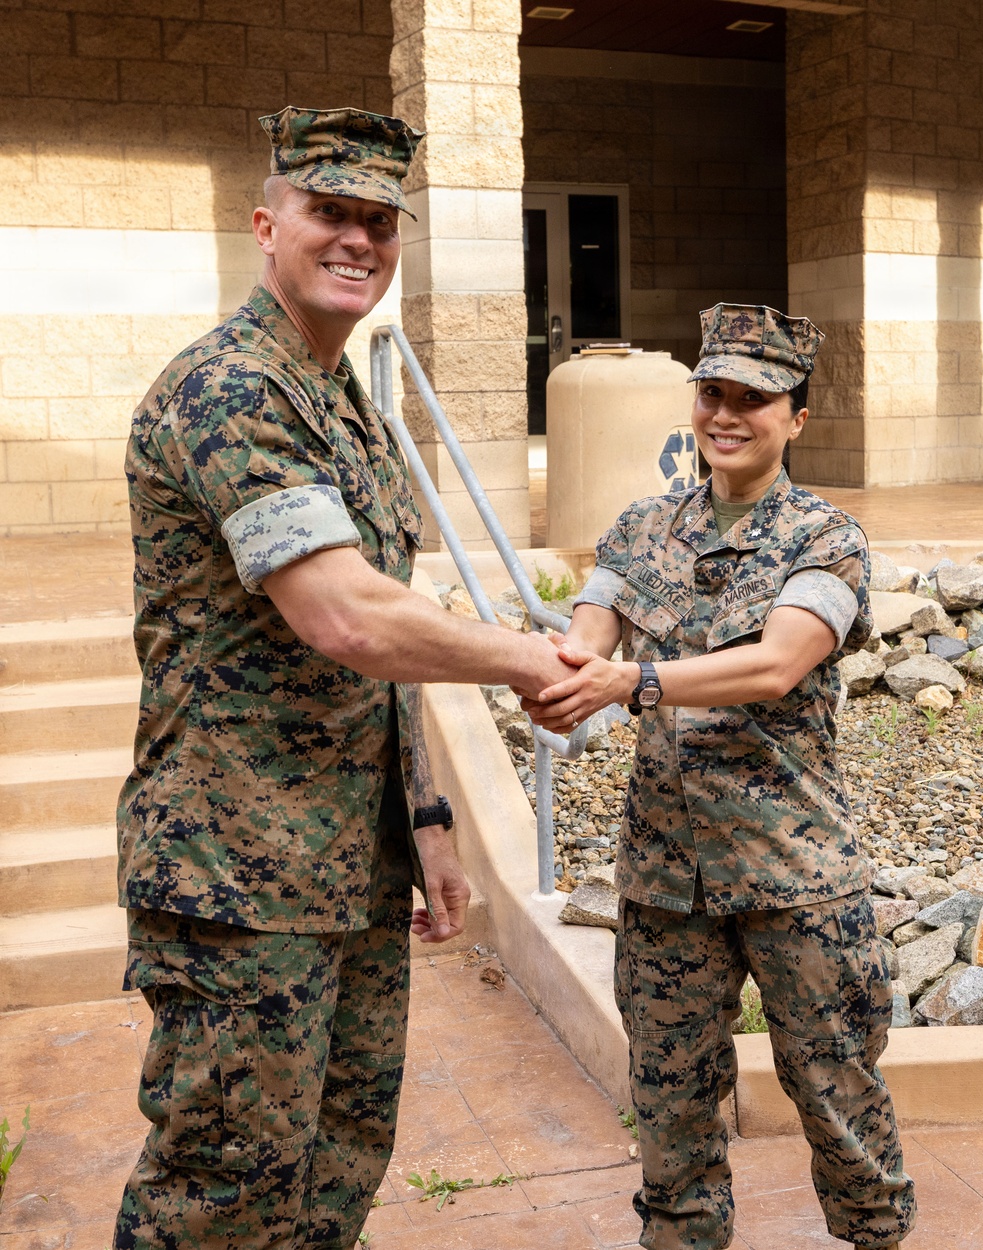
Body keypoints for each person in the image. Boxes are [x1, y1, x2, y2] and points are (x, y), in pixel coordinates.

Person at [113, 105, 575, 1250]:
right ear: (266, 224)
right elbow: (348, 616)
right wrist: (531, 655)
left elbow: (383, 645)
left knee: (334, 1165)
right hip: (236, 872)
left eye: (380, 217)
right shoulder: (232, 390)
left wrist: (424, 817)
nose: (359, 238)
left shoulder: (344, 404)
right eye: (330, 210)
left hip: (345, 862)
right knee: (223, 1189)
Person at [522, 304, 916, 1250]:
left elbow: (776, 663)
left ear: (796, 418)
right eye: (713, 394)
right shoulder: (641, 528)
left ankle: (877, 1237)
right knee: (669, 1106)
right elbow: (589, 634)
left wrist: (633, 684)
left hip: (794, 873)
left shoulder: (826, 537)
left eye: (754, 399)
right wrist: (558, 674)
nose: (727, 416)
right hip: (666, 880)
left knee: (836, 1093)